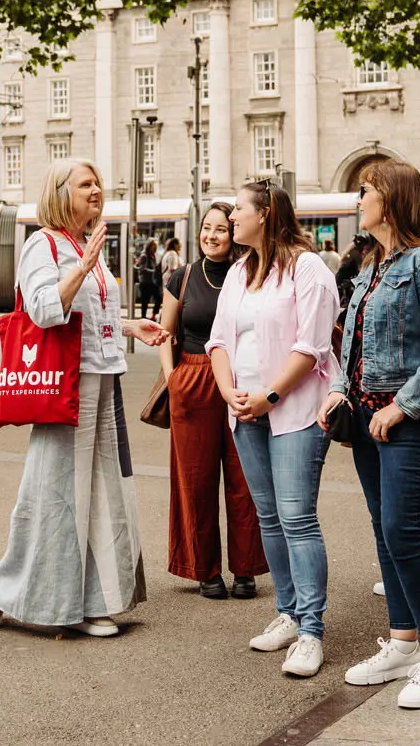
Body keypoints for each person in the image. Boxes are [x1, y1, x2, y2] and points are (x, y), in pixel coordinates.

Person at [0, 158, 167, 638]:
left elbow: (90, 318)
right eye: (86, 184)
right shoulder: (44, 244)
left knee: (101, 490)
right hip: (65, 385)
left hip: (102, 381)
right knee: (54, 493)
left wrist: (128, 327)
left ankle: (93, 600)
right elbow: (42, 309)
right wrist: (82, 268)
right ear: (61, 193)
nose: (97, 190)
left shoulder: (84, 244)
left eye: (98, 182)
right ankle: (9, 595)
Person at [319, 159, 420, 710]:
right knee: (386, 532)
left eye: (366, 191)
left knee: (403, 533)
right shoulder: (372, 264)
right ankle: (403, 642)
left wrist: (402, 407)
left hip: (410, 422)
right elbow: (349, 344)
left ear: (392, 200)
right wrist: (338, 390)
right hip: (365, 419)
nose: (358, 199)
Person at [209, 181, 338, 678]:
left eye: (238, 209)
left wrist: (271, 396)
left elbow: (311, 348)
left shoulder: (307, 269)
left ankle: (311, 630)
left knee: (297, 516)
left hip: (293, 411)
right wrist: (229, 392)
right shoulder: (240, 271)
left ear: (265, 214)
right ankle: (287, 611)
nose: (231, 216)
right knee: (268, 516)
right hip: (244, 411)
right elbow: (219, 340)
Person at [159, 202, 264, 602]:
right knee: (196, 481)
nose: (212, 236)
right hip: (193, 379)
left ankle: (246, 569)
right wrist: (173, 380)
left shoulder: (250, 274)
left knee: (245, 478)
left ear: (233, 232)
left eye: (221, 228)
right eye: (207, 228)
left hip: (240, 381)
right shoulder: (182, 277)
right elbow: (165, 333)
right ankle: (204, 569)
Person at [136, 239, 163, 321]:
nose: (155, 248)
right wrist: (154, 271)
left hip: (153, 282)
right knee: (145, 301)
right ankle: (143, 317)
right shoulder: (144, 256)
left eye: (155, 246)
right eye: (153, 246)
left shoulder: (153, 256)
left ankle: (153, 315)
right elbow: (142, 269)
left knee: (158, 298)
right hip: (145, 282)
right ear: (149, 246)